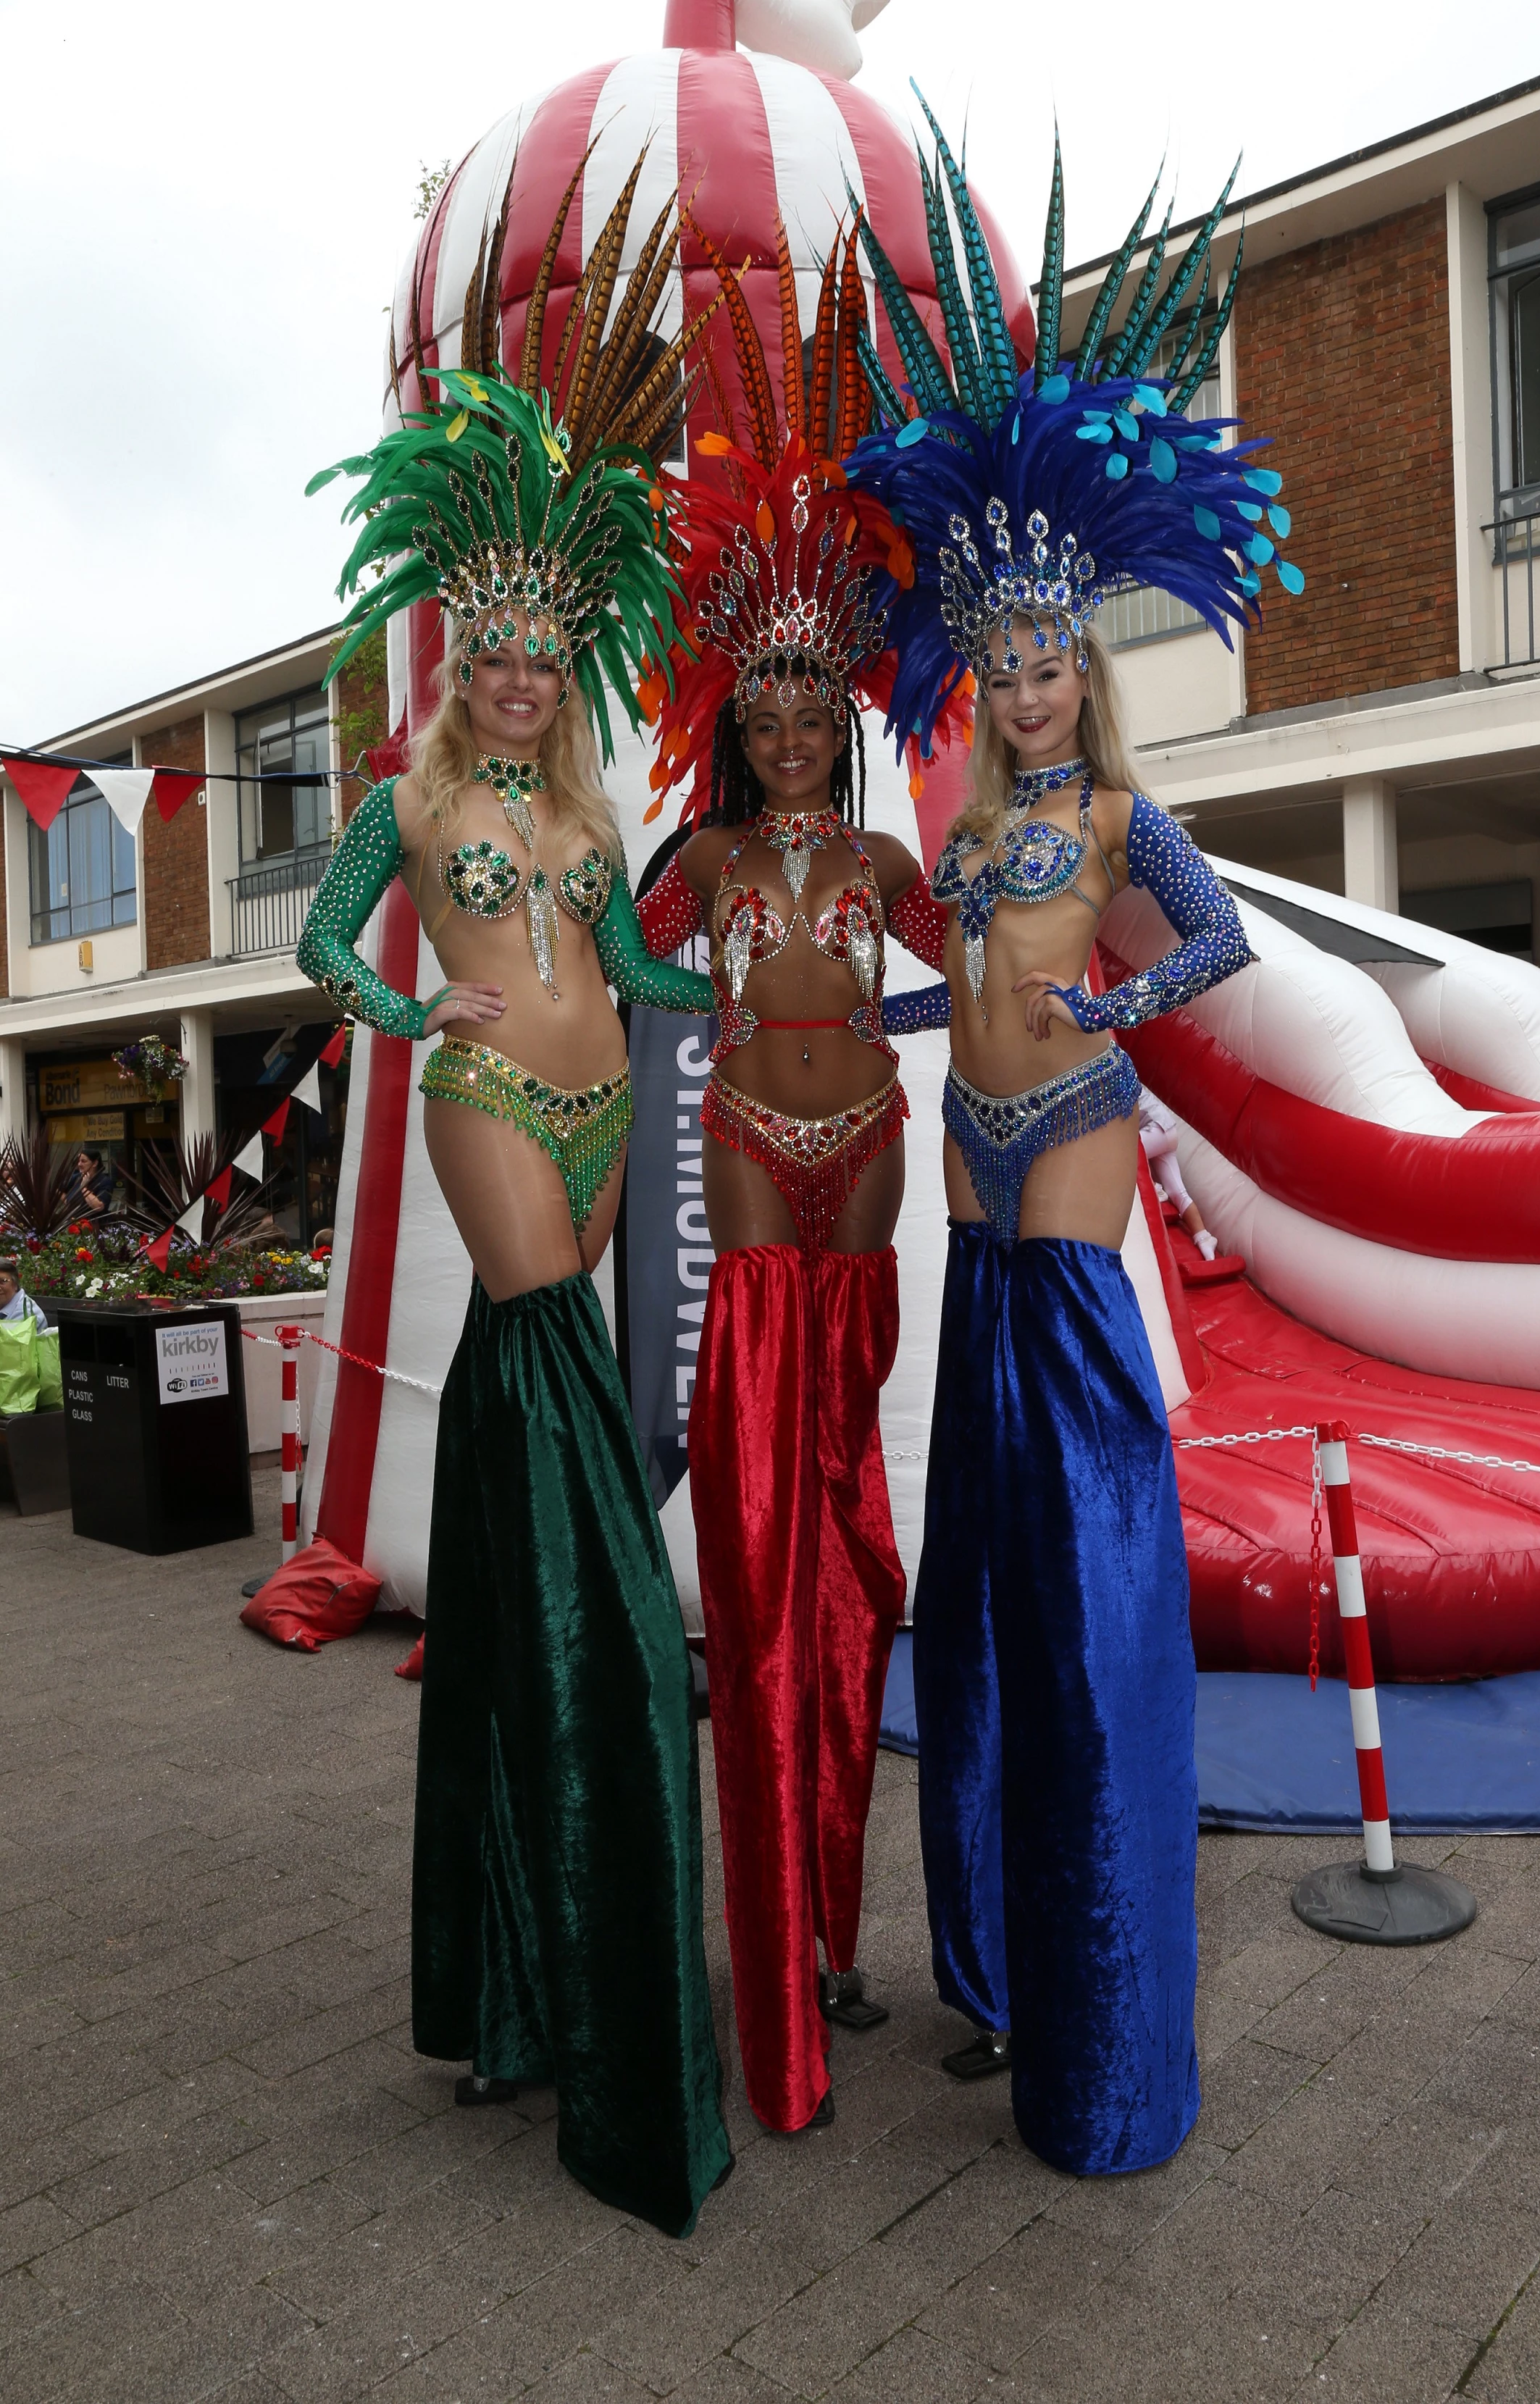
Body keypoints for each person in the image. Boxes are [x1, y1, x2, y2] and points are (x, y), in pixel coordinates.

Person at [853, 102, 1292, 2175]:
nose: (1027, 686)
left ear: (1080, 665)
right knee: (988, 1548)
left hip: (1081, 1137)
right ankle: (1000, 1948)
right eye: (1000, 660)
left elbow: (1201, 945)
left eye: (1049, 657)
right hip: (967, 1139)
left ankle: (1107, 1998)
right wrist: (896, 1015)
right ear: (978, 669)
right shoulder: (962, 828)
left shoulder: (1122, 819)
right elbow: (970, 972)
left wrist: (1106, 1005)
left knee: (1095, 1532)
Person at [297, 169, 735, 2236]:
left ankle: (523, 1891)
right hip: (483, 1093)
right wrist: (413, 994)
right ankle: (613, 1663)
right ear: (462, 648)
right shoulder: (414, 795)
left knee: (528, 1406)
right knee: (557, 1373)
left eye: (551, 664)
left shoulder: (583, 803)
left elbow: (638, 981)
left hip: (595, 1097)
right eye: (499, 657)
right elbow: (318, 942)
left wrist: (704, 962)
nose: (521, 686)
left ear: (571, 669)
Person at [635, 234, 955, 2135]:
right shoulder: (701, 858)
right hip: (753, 1155)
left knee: (845, 1523)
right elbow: (618, 934)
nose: (779, 728)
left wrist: (1018, 1013)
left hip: (881, 1158)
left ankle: (833, 1898)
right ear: (727, 717)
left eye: (804, 703)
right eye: (752, 706)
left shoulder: (891, 850)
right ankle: (774, 1912)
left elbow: (972, 945)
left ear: (838, 706)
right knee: (760, 1525)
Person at [1139, 1087, 1220, 1260]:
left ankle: (1155, 1189)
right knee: (1178, 1192)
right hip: (1168, 1131)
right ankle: (1204, 1237)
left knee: (1122, 1155)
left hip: (1156, 1129)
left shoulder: (1116, 1080)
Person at [0, 1258, 49, 1332]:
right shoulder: (6, 1304)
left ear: (15, 1284)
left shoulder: (26, 1315)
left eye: (3, 1281)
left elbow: (10, 1342)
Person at [73, 1149, 114, 1217]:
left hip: (94, 1224)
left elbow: (99, 1207)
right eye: (78, 1161)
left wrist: (84, 1188)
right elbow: (59, 1189)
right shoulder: (77, 1178)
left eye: (83, 1161)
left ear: (95, 1163)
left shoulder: (104, 1181)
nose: (79, 1164)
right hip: (74, 1222)